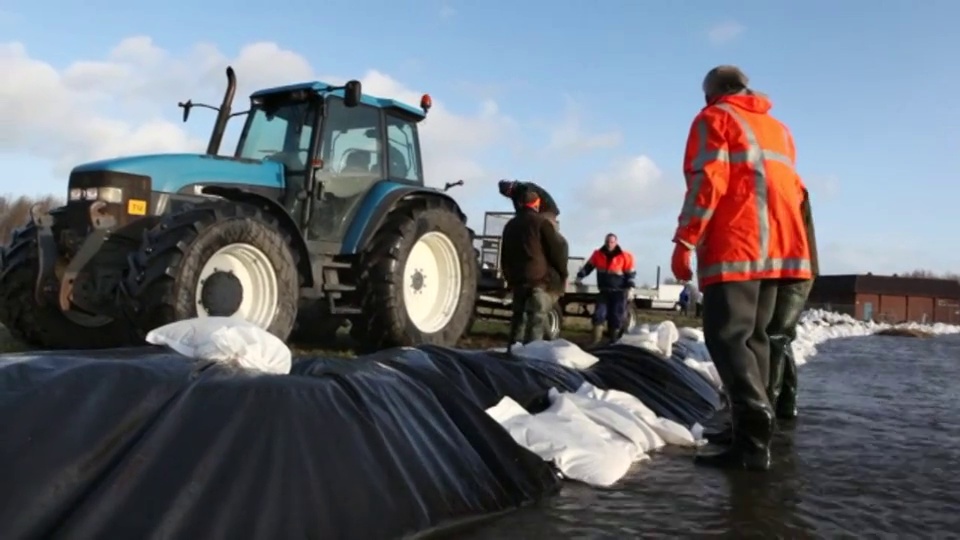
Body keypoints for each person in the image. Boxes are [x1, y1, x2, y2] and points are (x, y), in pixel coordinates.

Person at [670, 65, 813, 471]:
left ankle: (752, 431)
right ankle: (750, 429)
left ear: (711, 93)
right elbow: (794, 189)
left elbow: (708, 180)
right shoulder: (778, 129)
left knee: (728, 336)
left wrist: (685, 238)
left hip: (738, 242)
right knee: (756, 340)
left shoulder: (714, 118)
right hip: (781, 247)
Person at [767, 187, 819, 420]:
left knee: (776, 337)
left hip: (795, 270)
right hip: (796, 268)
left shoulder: (790, 188)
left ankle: (768, 407)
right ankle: (786, 406)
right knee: (782, 337)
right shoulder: (794, 186)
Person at [500, 190, 569, 351]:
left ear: (520, 204)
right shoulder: (541, 223)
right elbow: (556, 250)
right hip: (538, 280)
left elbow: (505, 255)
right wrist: (562, 273)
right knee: (536, 321)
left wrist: (509, 278)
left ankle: (512, 355)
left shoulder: (510, 225)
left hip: (518, 280)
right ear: (536, 204)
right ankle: (531, 357)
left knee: (518, 320)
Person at [575, 233, 637, 344]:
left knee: (616, 318)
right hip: (604, 291)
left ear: (616, 243)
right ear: (605, 242)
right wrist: (580, 276)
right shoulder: (598, 254)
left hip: (618, 292)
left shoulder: (625, 256)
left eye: (612, 242)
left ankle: (614, 342)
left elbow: (630, 274)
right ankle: (595, 342)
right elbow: (588, 267)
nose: (609, 244)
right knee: (599, 315)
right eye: (608, 242)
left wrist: (631, 287)